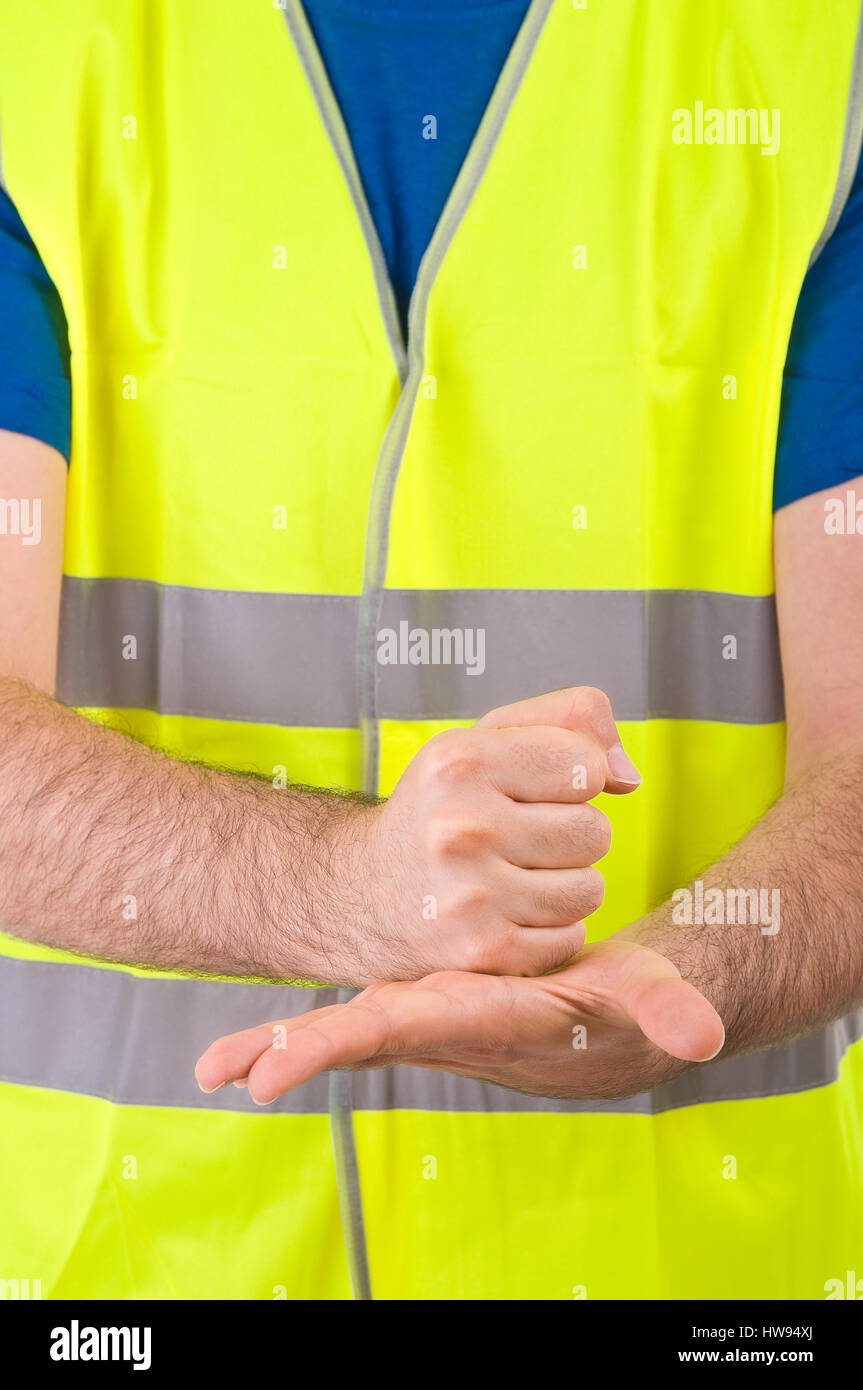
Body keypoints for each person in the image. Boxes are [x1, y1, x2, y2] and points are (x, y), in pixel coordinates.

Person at [1, 0, 862, 1301]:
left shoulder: (819, 66)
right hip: (133, 1281)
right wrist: (344, 883)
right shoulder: (34, 54)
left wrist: (701, 976)